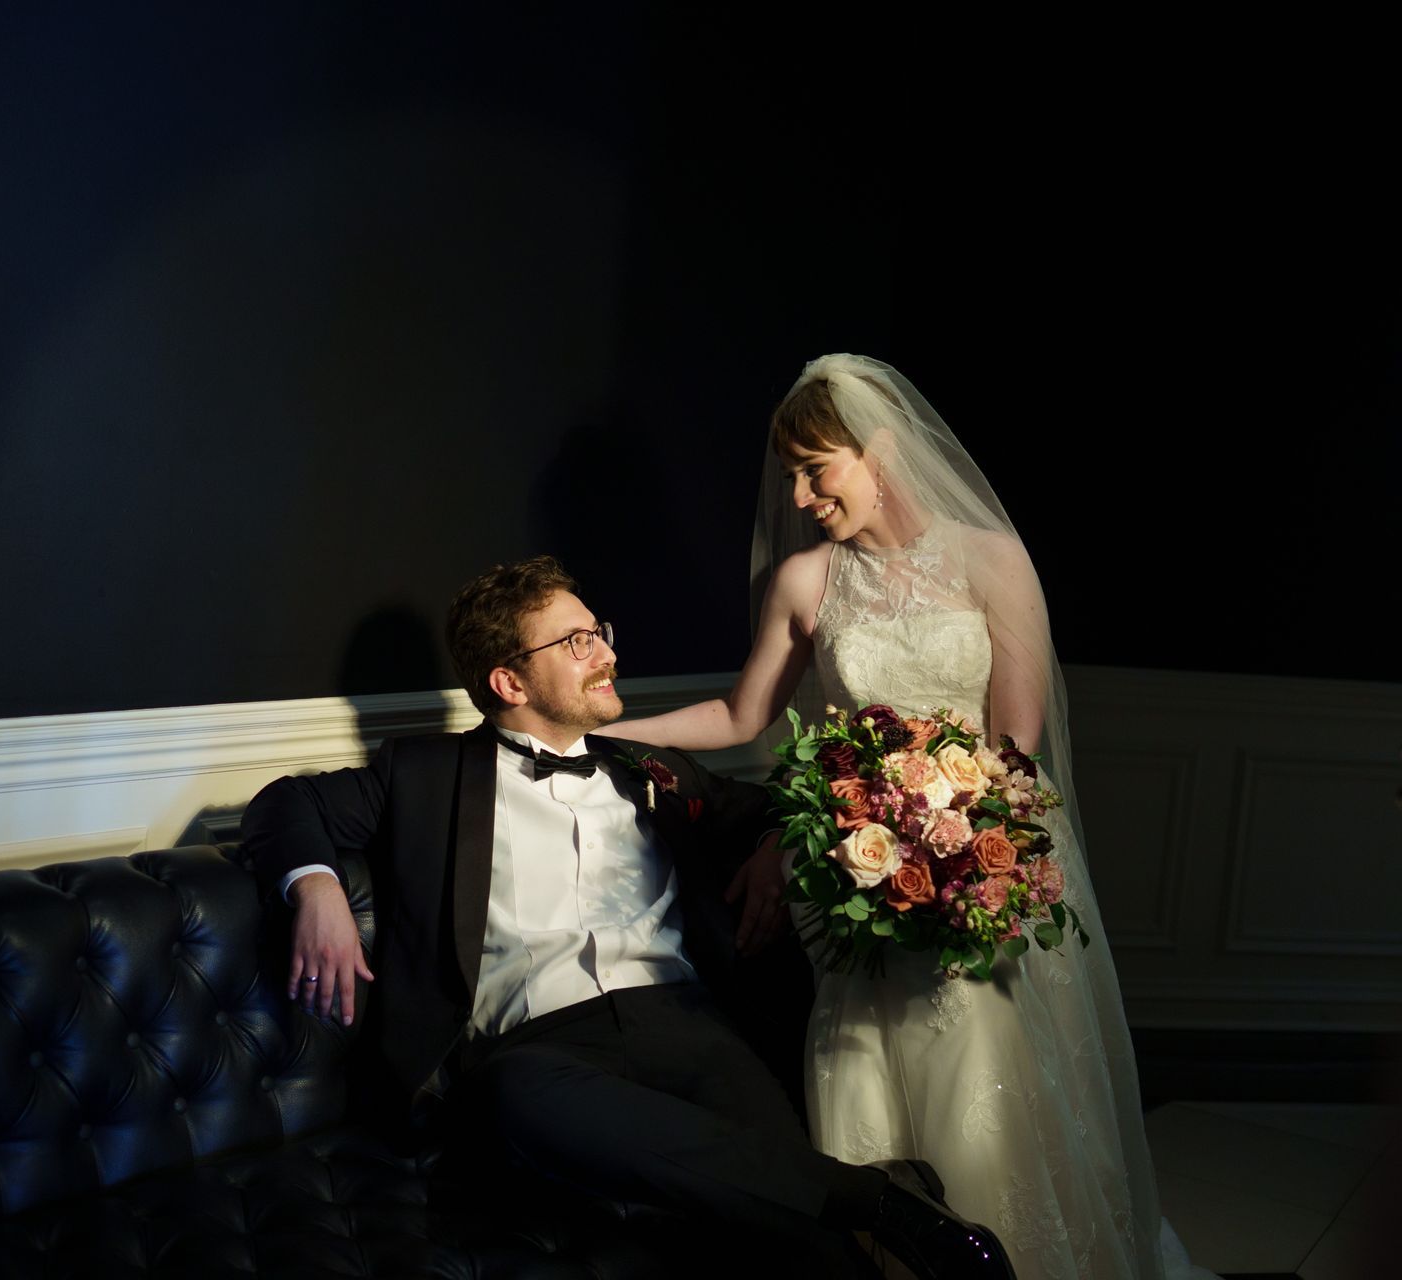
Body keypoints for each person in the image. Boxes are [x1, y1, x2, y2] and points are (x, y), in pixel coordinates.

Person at [602, 354, 1214, 1280]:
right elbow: (739, 717)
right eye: (794, 477)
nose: (803, 497)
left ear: (880, 448)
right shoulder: (807, 583)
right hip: (860, 872)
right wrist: (606, 729)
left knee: (981, 1080)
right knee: (867, 1081)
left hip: (984, 870)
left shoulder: (991, 560)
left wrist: (966, 851)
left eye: (819, 469)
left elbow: (1015, 745)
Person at [243, 555, 1019, 1280]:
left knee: (792, 1239)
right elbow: (285, 804)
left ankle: (882, 1221)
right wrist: (315, 889)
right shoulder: (422, 774)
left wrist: (778, 850)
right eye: (577, 642)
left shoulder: (652, 772)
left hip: (688, 1025)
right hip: (537, 1051)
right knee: (514, 1101)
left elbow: (777, 810)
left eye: (599, 633)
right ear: (510, 682)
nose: (606, 653)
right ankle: (883, 1203)